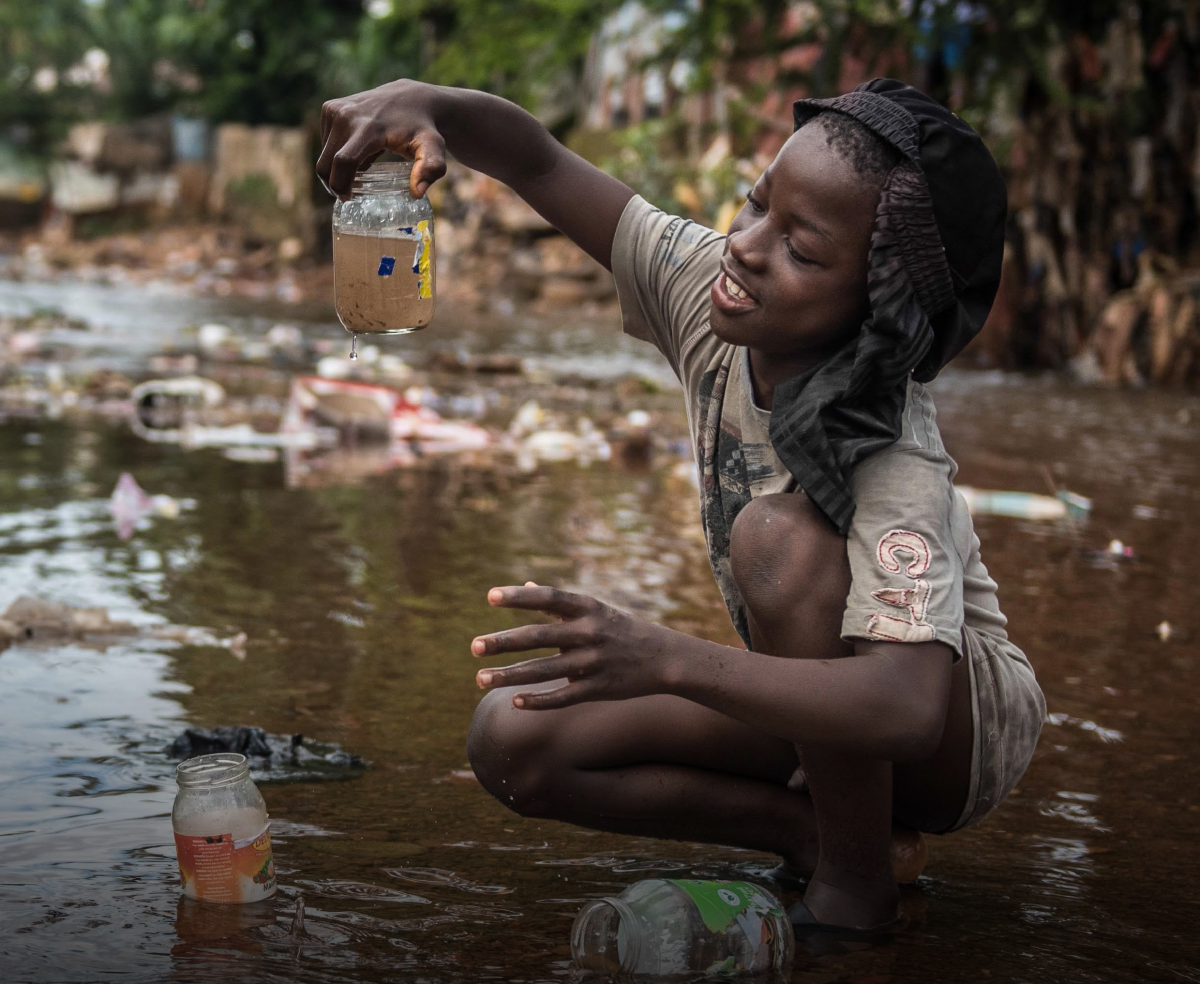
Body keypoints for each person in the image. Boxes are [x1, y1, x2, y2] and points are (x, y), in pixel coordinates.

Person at [317, 77, 1046, 934]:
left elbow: (908, 707)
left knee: (778, 539)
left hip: (955, 734)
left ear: (876, 318)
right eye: (756, 203)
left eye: (803, 253)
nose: (746, 246)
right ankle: (812, 835)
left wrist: (665, 658)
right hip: (823, 701)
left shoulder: (892, 449)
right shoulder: (708, 288)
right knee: (515, 740)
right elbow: (538, 160)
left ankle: (855, 896)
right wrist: (427, 104)